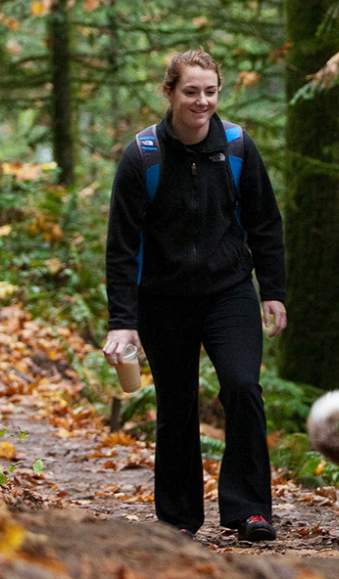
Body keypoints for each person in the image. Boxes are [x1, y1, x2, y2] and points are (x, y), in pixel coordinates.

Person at [102, 49, 288, 542]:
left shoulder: (237, 148)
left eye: (210, 91)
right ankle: (180, 519)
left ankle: (249, 510)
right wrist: (122, 320)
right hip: (162, 300)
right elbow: (122, 247)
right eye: (191, 91)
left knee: (243, 388)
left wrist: (273, 291)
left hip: (228, 293)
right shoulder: (143, 157)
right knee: (177, 404)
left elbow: (265, 224)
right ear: (169, 93)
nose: (201, 101)